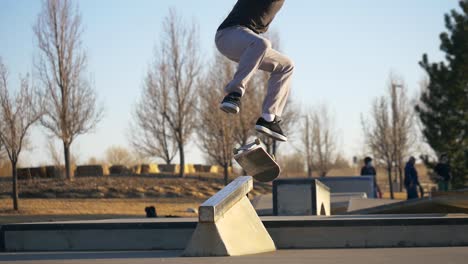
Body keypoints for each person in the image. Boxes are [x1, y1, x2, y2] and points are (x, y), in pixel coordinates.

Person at [216, 0, 294, 142]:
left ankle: (268, 118)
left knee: (286, 65)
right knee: (262, 43)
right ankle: (234, 93)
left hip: (249, 45)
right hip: (228, 35)